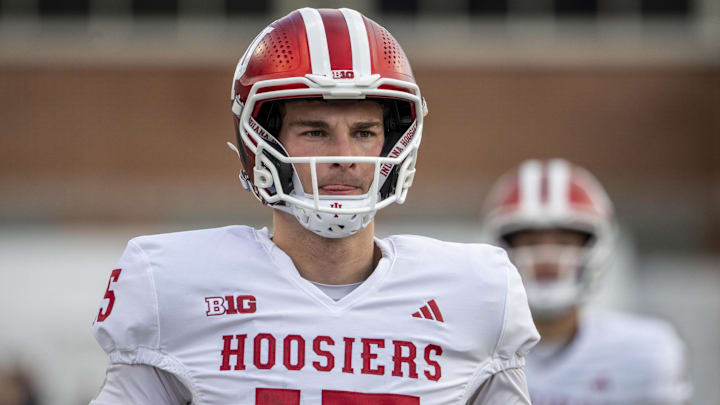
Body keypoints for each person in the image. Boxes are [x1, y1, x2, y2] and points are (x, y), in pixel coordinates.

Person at [89, 7, 539, 405]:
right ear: (261, 141)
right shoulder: (175, 285)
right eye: (315, 132)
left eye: (364, 133)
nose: (344, 155)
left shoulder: (475, 293)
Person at [480, 158, 692, 405]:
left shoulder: (645, 355)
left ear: (595, 248)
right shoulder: (469, 348)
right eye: (531, 242)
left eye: (564, 242)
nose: (547, 260)